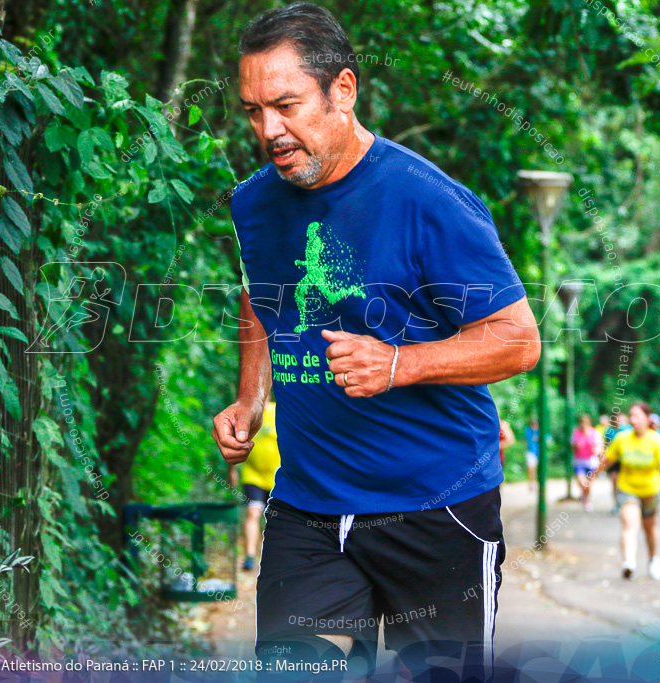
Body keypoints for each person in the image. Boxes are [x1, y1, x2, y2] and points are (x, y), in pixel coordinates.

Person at [213, 4, 541, 677]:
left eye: (284, 105)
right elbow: (261, 294)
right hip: (309, 507)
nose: (268, 131)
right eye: (252, 111)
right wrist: (250, 395)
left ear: (343, 89)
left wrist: (399, 362)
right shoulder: (254, 202)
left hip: (436, 505)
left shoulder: (428, 200)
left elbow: (518, 340)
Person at [597, 402, 660, 581]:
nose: (633, 420)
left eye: (637, 416)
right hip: (627, 488)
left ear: (647, 419)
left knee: (650, 527)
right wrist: (590, 478)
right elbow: (606, 461)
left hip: (651, 490)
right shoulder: (622, 438)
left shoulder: (657, 440)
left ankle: (653, 560)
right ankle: (629, 563)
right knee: (629, 524)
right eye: (631, 416)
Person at [228, 401, 281, 571]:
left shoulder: (279, 410)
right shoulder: (246, 414)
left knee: (278, 518)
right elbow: (235, 443)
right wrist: (233, 469)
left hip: (277, 475)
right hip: (253, 475)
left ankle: (276, 556)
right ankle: (249, 555)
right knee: (253, 511)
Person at [571, 414, 602, 512]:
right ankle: (585, 496)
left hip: (591, 461)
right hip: (579, 461)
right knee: (581, 481)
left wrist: (596, 450)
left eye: (586, 422)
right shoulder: (576, 433)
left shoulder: (595, 433)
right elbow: (571, 446)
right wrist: (576, 446)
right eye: (582, 423)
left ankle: (586, 499)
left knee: (588, 483)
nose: (584, 425)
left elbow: (600, 447)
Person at [603, 412, 627, 513]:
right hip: (613, 460)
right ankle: (617, 503)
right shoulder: (609, 431)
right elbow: (606, 445)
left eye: (620, 419)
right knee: (615, 481)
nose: (618, 421)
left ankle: (625, 502)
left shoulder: (627, 430)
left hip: (625, 460)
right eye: (617, 419)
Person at [524, 418, 540, 491]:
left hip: (538, 452)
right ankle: (531, 483)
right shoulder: (528, 430)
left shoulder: (539, 430)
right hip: (530, 451)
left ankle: (536, 483)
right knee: (531, 468)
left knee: (536, 468)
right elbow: (526, 440)